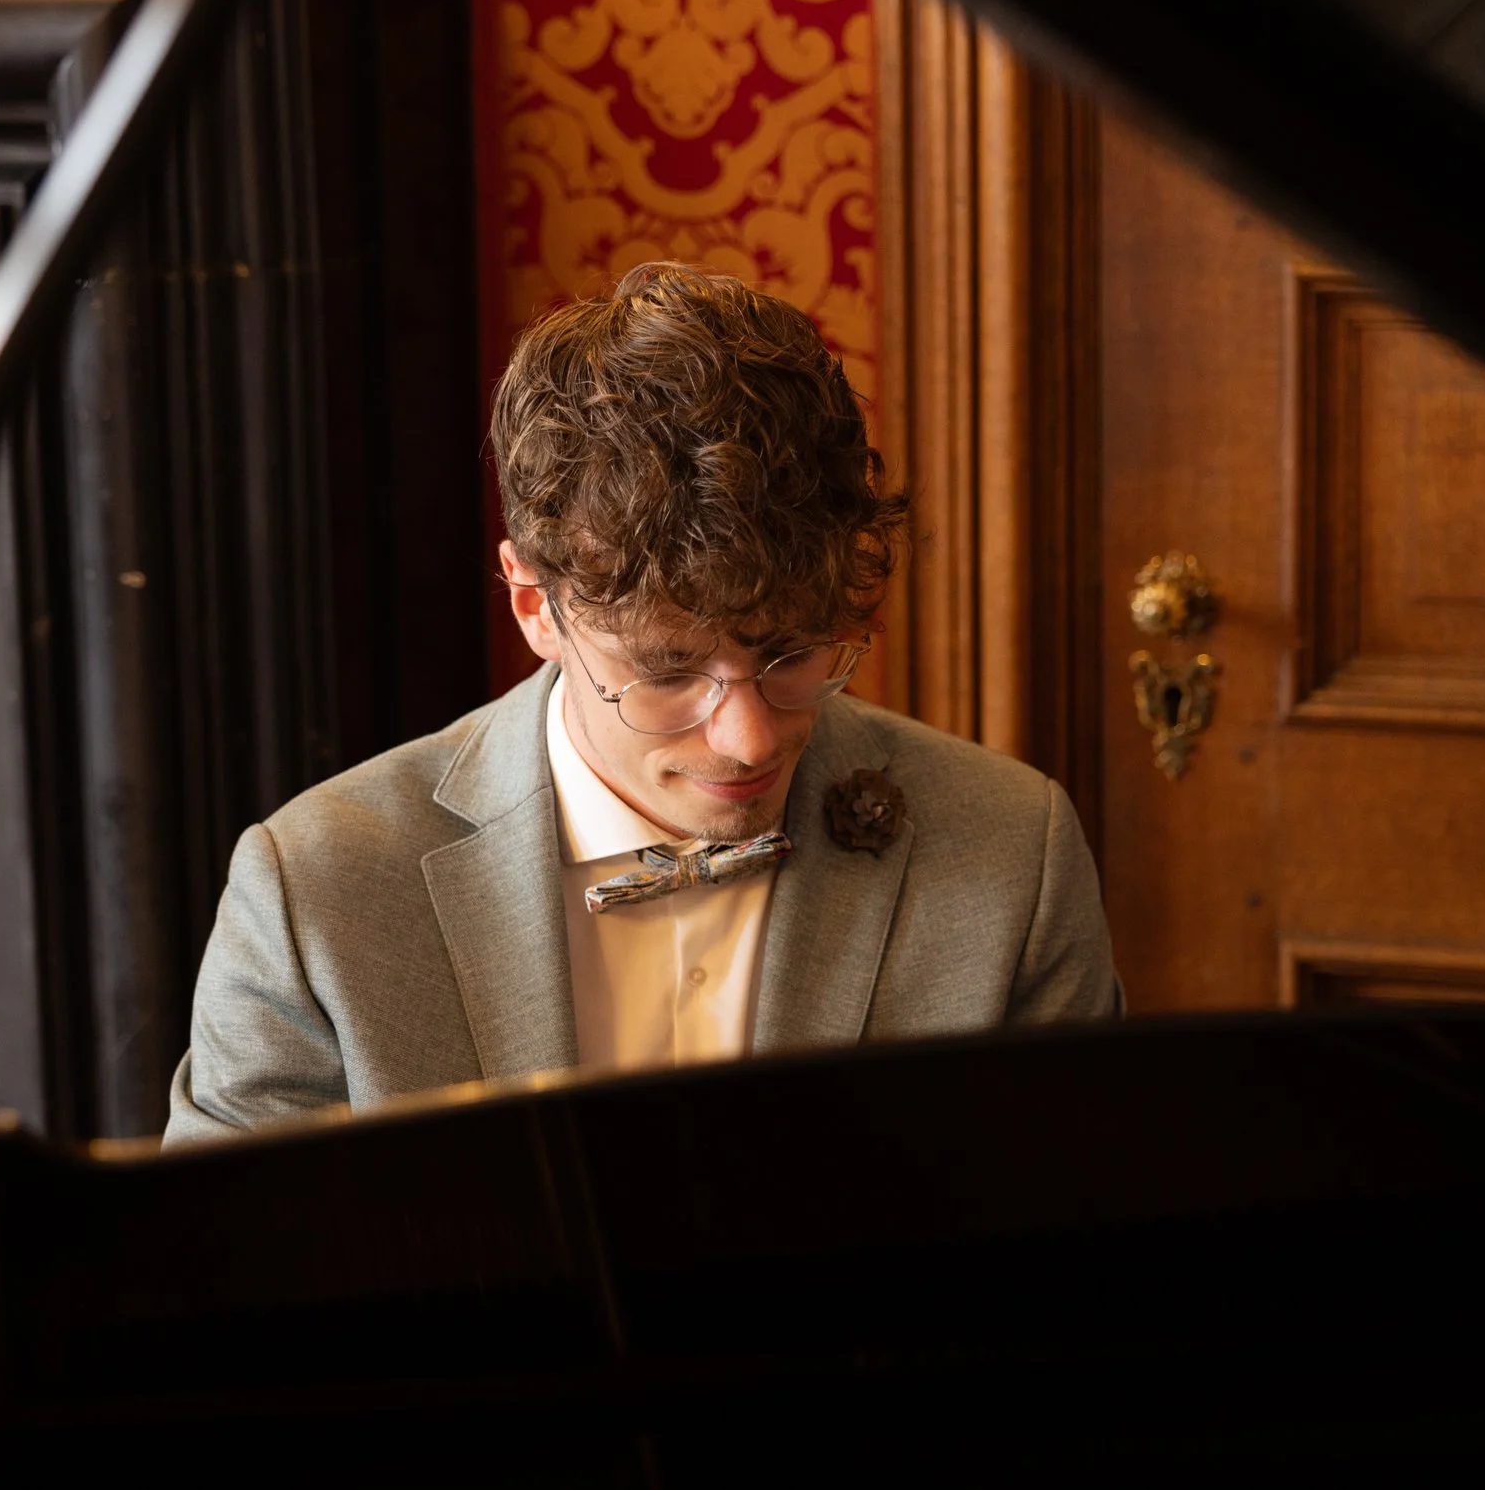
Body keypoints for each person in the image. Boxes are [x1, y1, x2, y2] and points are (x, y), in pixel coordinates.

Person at [164, 262, 1119, 1146]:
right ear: (535, 605)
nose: (749, 739)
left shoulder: (1013, 852)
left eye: (791, 654)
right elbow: (227, 1270)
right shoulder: (316, 894)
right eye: (668, 673)